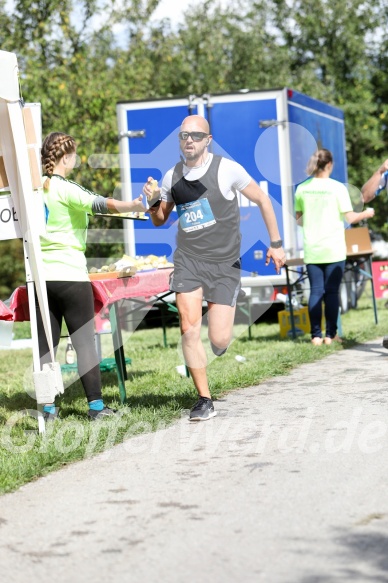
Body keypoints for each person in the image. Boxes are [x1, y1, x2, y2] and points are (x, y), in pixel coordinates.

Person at [143, 115, 286, 422]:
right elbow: (159, 218)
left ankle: (228, 302)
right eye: (184, 135)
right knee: (188, 327)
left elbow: (262, 199)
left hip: (223, 264)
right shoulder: (172, 176)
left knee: (219, 342)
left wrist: (276, 243)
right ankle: (204, 399)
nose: (189, 140)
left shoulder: (227, 169)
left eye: (196, 135)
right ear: (180, 140)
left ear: (207, 140)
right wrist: (154, 200)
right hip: (189, 261)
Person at [38, 132, 147, 421]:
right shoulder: (65, 187)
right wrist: (136, 205)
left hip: (38, 276)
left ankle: (48, 410)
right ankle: (96, 408)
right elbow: (102, 204)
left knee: (46, 346)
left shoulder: (34, 188)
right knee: (85, 342)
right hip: (70, 274)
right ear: (67, 157)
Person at [294, 148, 374, 346]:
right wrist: (367, 213)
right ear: (329, 164)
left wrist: (314, 219)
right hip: (334, 248)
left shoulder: (302, 189)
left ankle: (315, 336)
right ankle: (331, 336)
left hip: (313, 248)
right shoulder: (338, 188)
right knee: (331, 292)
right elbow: (350, 217)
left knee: (315, 292)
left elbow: (299, 220)